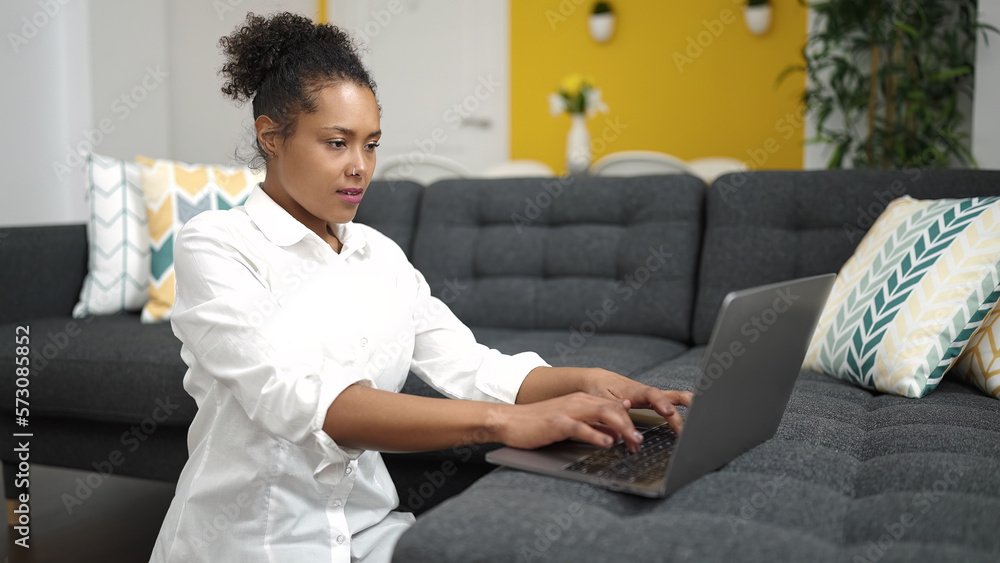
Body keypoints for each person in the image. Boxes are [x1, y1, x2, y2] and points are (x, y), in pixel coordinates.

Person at [149, 11, 692, 563]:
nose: (360, 167)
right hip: (246, 545)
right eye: (337, 143)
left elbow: (473, 366)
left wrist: (598, 383)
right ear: (272, 137)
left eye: (371, 144)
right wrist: (506, 422)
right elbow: (300, 399)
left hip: (369, 534)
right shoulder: (216, 245)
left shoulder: (379, 256)